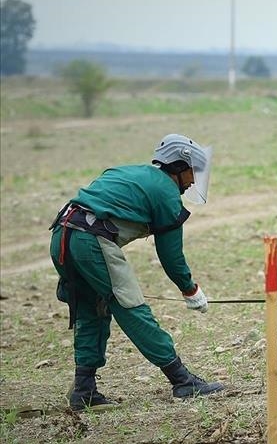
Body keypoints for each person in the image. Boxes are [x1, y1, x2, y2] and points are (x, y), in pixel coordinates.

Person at [49, 133, 225, 411]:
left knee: (91, 310)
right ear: (180, 166)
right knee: (131, 306)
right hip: (90, 239)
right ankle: (181, 380)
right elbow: (171, 256)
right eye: (193, 172)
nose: (193, 180)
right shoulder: (166, 193)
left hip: (62, 234)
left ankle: (84, 391)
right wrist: (190, 289)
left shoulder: (134, 173)